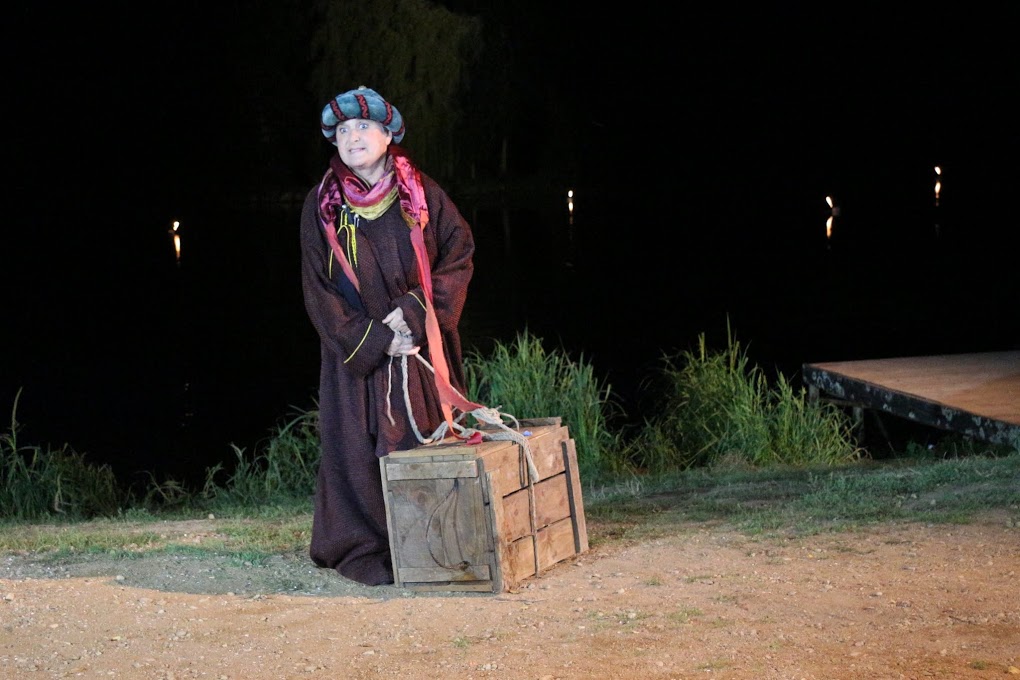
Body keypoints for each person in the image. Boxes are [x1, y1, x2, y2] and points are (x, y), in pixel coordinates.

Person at [299, 86, 476, 586]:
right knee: (358, 453)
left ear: (386, 134)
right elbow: (317, 291)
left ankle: (435, 545)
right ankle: (368, 545)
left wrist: (415, 312)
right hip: (357, 358)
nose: (352, 137)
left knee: (422, 444)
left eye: (363, 126)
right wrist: (374, 340)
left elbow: (459, 253)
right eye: (342, 130)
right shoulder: (323, 206)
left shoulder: (421, 193)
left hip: (419, 348)